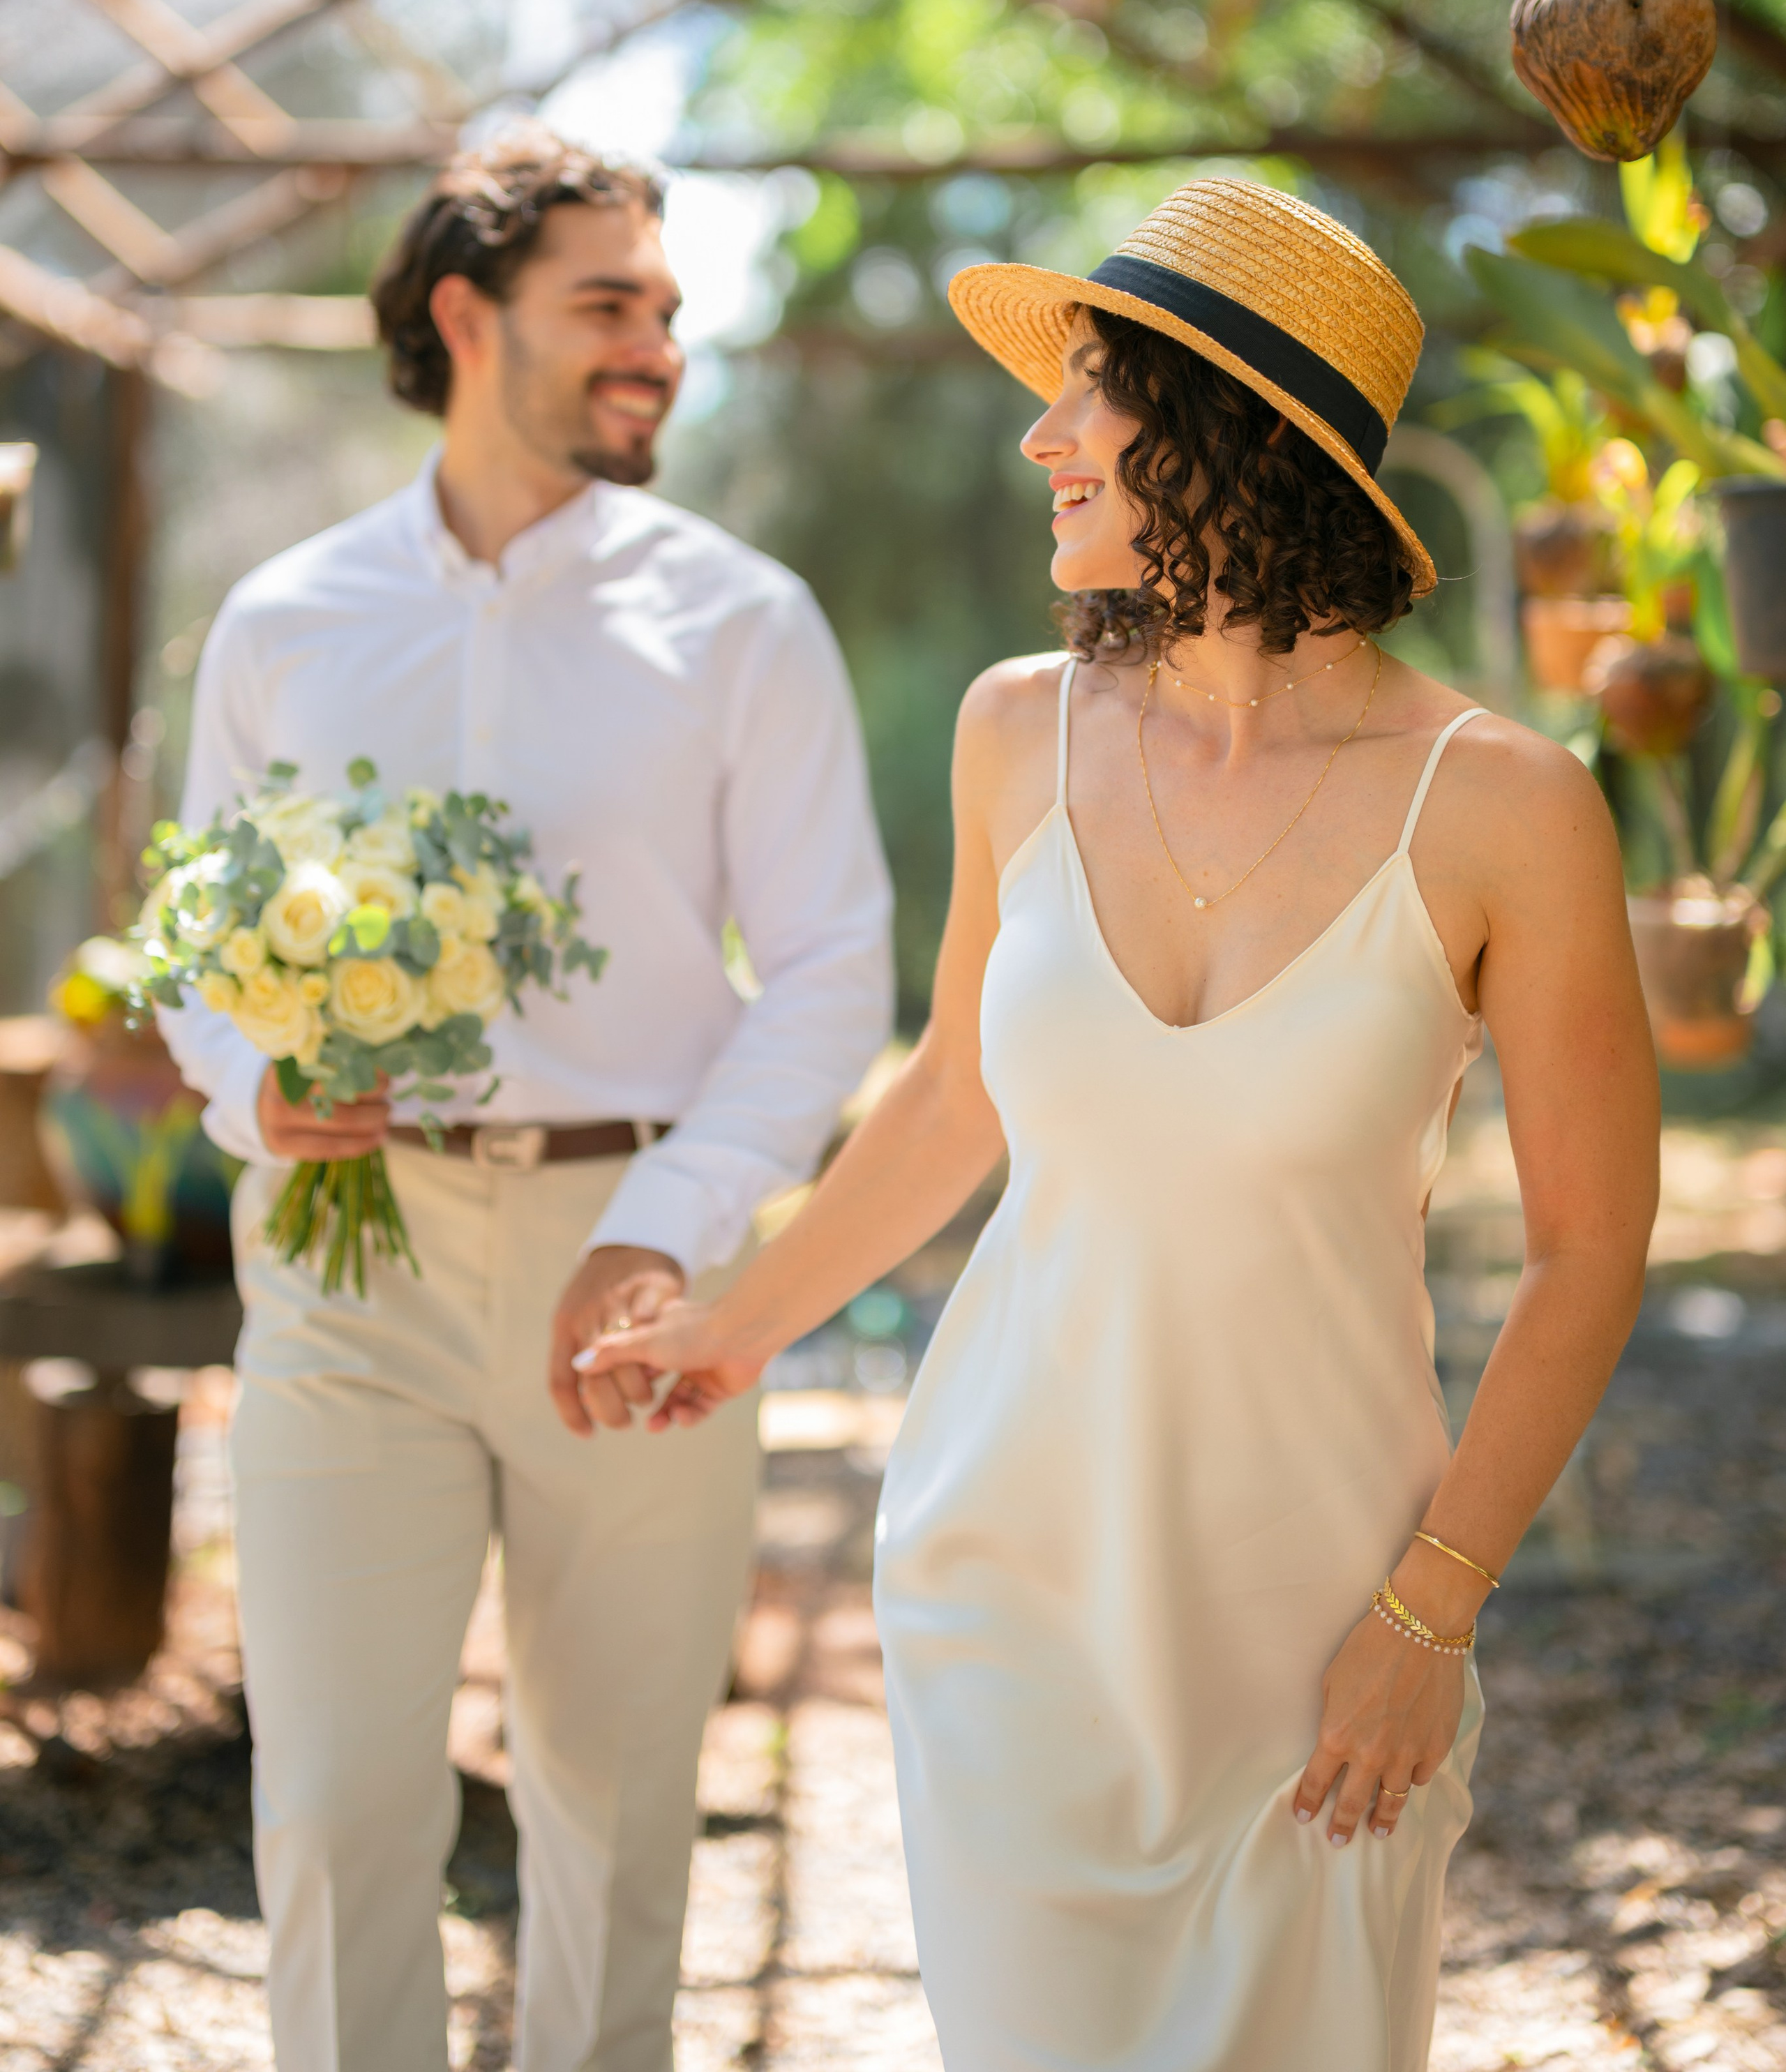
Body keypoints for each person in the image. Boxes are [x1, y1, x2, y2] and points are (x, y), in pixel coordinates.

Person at [578, 177, 1661, 2071]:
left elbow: (1593, 1246)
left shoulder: (1506, 807)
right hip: (1010, 1578)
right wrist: (729, 1327)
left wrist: (1432, 1616)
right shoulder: (1017, 733)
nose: (1041, 434)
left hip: (1329, 1619)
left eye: (1094, 391)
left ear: (1238, 431)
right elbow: (949, 1103)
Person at [161, 125, 893, 2072]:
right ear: (467, 318)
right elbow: (187, 941)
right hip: (346, 1264)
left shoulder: (747, 621)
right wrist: (253, 1083)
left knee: (620, 1803)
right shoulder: (285, 618)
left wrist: (678, 1229)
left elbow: (833, 971)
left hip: (637, 1263)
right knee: (332, 1811)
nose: (659, 342)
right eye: (610, 305)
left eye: (668, 307)